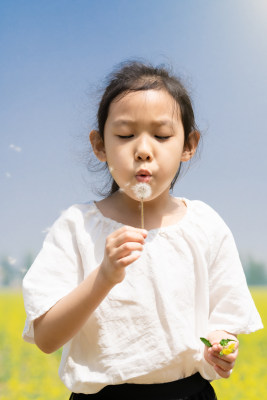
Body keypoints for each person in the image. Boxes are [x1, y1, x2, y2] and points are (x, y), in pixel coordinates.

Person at [22, 61, 263, 400]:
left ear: (188, 145)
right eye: (125, 135)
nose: (143, 151)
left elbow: (224, 318)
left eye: (162, 136)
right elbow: (46, 338)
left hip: (189, 392)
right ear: (100, 145)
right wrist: (104, 276)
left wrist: (220, 348)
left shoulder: (205, 225)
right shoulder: (77, 227)